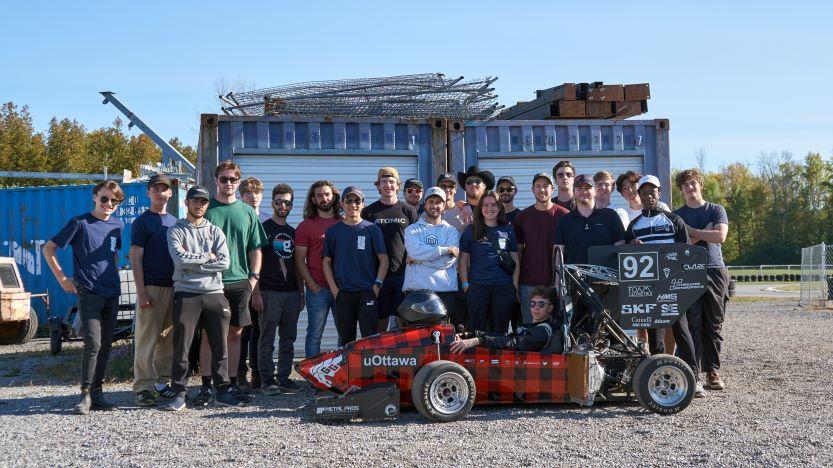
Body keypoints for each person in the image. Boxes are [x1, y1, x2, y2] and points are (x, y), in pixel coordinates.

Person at [43, 180, 125, 415]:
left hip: (112, 291)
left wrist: (115, 274)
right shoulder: (80, 223)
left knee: (107, 345)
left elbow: (114, 254)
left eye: (114, 201)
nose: (109, 204)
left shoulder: (117, 225)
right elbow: (49, 249)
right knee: (93, 343)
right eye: (104, 198)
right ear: (94, 197)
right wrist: (62, 280)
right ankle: (85, 394)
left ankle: (98, 393)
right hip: (89, 291)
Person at [194, 161, 268, 407]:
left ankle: (232, 383)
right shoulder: (206, 209)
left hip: (239, 282)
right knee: (208, 334)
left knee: (236, 334)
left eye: (233, 180)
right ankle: (206, 385)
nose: (228, 184)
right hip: (209, 283)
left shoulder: (246, 211)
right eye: (224, 179)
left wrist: (253, 278)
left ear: (239, 182)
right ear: (216, 180)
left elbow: (255, 247)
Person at [625, 175, 704, 398]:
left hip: (672, 286)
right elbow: (628, 258)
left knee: (681, 329)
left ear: (660, 194)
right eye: (644, 192)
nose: (649, 195)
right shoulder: (634, 225)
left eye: (653, 192)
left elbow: (686, 253)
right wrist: (633, 246)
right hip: (648, 288)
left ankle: (695, 377)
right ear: (639, 195)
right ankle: (658, 377)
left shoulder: (674, 220)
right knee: (654, 334)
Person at [165, 186, 241, 411]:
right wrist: (208, 256)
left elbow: (224, 263)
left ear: (207, 205)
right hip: (186, 292)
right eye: (195, 201)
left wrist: (194, 263)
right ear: (187, 202)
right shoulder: (176, 230)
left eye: (203, 202)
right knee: (182, 346)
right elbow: (179, 261)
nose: (199, 205)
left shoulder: (216, 232)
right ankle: (179, 393)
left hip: (215, 293)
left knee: (220, 345)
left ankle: (222, 391)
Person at [674, 168, 729, 392]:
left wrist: (692, 232)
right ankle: (692, 374)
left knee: (714, 323)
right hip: (688, 271)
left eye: (693, 183)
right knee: (692, 324)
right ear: (681, 189)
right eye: (685, 185)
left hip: (715, 269)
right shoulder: (678, 215)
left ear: (700, 185)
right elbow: (681, 246)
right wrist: (703, 232)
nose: (690, 187)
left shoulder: (716, 210)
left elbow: (720, 237)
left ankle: (712, 371)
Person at [553, 175, 625, 335]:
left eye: (588, 188)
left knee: (611, 332)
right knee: (575, 331)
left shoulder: (610, 217)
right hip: (575, 286)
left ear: (595, 190)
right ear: (574, 191)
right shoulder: (564, 221)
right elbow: (559, 254)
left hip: (607, 286)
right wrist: (558, 285)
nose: (583, 192)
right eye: (579, 188)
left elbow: (620, 249)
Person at [131, 174, 177, 407]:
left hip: (173, 288)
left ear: (170, 193)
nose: (160, 193)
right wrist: (141, 292)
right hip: (151, 287)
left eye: (164, 189)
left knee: (167, 340)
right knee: (146, 339)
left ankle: (161, 384)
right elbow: (136, 259)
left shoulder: (175, 222)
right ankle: (143, 387)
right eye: (155, 189)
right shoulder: (142, 222)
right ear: (148, 193)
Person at [255, 183, 305, 396]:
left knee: (288, 338)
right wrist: (255, 292)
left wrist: (301, 291)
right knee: (266, 338)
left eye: (287, 202)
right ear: (272, 203)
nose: (283, 206)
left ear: (292, 205)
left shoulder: (293, 232)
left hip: (292, 293)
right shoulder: (263, 228)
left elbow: (298, 264)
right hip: (269, 292)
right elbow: (254, 262)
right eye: (279, 202)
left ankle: (284, 378)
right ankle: (267, 380)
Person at [322, 186, 389, 345]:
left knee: (370, 339)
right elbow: (326, 261)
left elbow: (384, 259)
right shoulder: (333, 231)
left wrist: (377, 286)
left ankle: (371, 370)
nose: (353, 204)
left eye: (357, 200)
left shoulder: (372, 229)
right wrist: (334, 290)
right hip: (344, 293)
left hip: (367, 292)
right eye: (349, 200)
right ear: (342, 204)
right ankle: (349, 371)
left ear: (363, 204)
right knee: (346, 340)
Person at [361, 167, 418, 332]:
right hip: (378, 276)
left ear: (398, 185)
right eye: (384, 181)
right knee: (380, 321)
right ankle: (379, 356)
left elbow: (416, 240)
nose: (388, 185)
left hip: (404, 275)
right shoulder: (368, 212)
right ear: (378, 185)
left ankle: (403, 356)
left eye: (392, 181)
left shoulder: (408, 210)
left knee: (404, 321)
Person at [459, 190, 520, 333]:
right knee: (477, 330)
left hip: (503, 288)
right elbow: (463, 261)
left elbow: (515, 260)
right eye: (485, 205)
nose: (489, 208)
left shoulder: (508, 230)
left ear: (499, 207)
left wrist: (514, 287)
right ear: (480, 208)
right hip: (478, 288)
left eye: (494, 204)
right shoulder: (471, 230)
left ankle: (498, 356)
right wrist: (466, 285)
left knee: (500, 330)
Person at [514, 173, 569, 323]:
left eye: (545, 186)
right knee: (529, 329)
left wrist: (561, 284)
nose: (542, 189)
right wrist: (516, 283)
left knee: (557, 330)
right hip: (528, 284)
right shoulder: (522, 217)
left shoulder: (564, 216)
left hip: (555, 285)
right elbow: (517, 253)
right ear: (532, 190)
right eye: (538, 186)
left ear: (552, 189)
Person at [295, 180, 341, 358]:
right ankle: (313, 380)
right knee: (314, 335)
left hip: (341, 289)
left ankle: (340, 376)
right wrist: (311, 284)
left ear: (333, 196)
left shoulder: (343, 222)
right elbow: (299, 260)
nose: (324, 198)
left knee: (344, 335)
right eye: (319, 195)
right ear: (313, 200)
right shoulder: (306, 226)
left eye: (327, 194)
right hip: (318, 290)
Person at [403, 187, 460, 316]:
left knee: (443, 335)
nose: (434, 205)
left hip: (445, 292)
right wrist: (444, 250)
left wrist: (419, 260)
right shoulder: (412, 230)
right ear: (425, 204)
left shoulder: (451, 231)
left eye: (438, 202)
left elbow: (447, 262)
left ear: (444, 205)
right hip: (416, 292)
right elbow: (415, 252)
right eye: (431, 201)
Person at [451, 286, 561, 353]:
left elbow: (513, 342)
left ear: (550, 308)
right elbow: (505, 336)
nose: (536, 307)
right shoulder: (530, 327)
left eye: (541, 304)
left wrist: (478, 341)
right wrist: (469, 335)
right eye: (533, 303)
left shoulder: (542, 331)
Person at [237, 177, 265, 389]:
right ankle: (239, 373)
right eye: (248, 193)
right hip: (240, 283)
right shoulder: (238, 217)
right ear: (241, 196)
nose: (253, 197)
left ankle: (257, 372)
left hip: (261, 286)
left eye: (257, 193)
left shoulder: (266, 220)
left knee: (258, 330)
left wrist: (258, 290)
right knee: (241, 331)